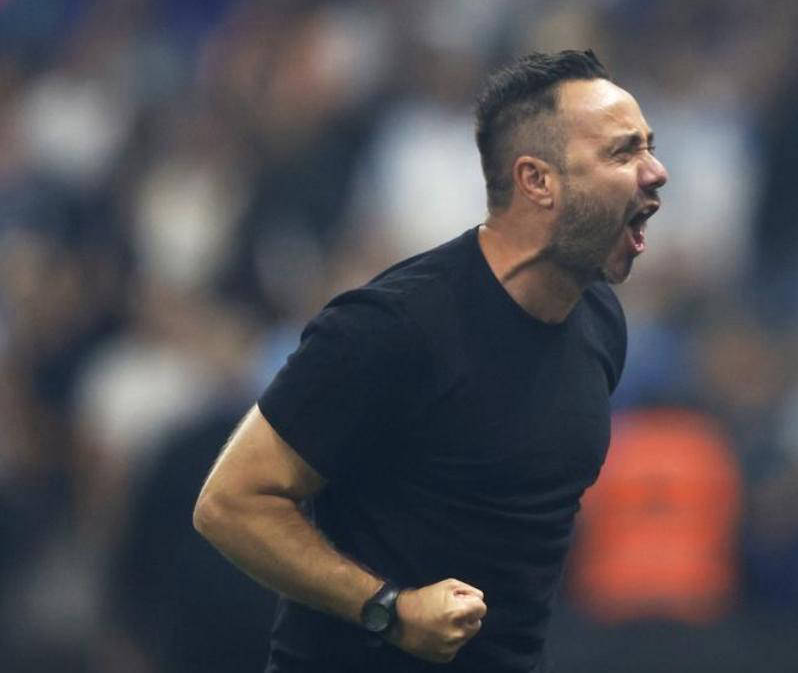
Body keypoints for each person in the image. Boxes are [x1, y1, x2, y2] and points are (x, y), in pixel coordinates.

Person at [193, 49, 668, 673]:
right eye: (623, 153)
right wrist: (388, 609)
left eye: (649, 147)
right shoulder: (394, 327)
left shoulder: (600, 322)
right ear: (537, 181)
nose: (656, 171)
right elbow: (231, 502)